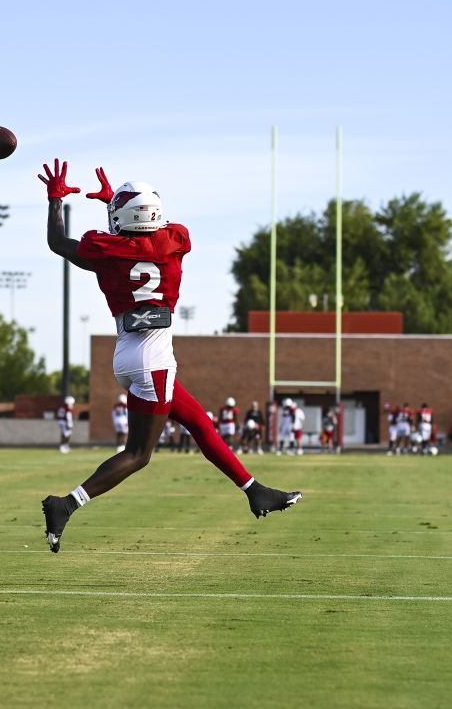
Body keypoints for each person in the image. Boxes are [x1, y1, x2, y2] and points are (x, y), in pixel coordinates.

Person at [36, 159, 301, 553]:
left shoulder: (104, 250)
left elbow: (60, 243)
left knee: (199, 422)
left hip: (131, 354)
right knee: (139, 454)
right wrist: (121, 206)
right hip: (154, 361)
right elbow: (147, 232)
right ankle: (66, 504)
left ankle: (255, 490)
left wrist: (56, 200)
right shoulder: (174, 240)